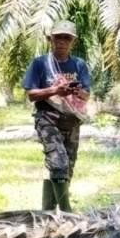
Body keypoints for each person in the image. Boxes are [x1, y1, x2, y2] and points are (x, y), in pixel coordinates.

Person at [21, 20, 91, 212]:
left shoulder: (79, 64)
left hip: (71, 121)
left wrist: (76, 92)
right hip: (48, 118)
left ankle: (48, 211)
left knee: (66, 168)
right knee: (58, 163)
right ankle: (67, 212)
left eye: (66, 38)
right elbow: (31, 94)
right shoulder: (40, 64)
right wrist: (54, 90)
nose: (62, 41)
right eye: (58, 37)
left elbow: (86, 93)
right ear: (50, 39)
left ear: (72, 42)